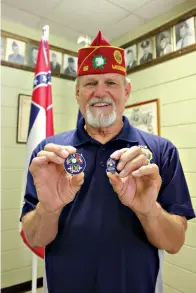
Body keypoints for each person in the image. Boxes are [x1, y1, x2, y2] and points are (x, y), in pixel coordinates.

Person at [20, 31, 195, 293]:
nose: (100, 92)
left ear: (126, 91)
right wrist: (50, 208)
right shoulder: (49, 155)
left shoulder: (161, 153)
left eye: (111, 82)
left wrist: (149, 211)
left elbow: (174, 243)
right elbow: (34, 238)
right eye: (90, 83)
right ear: (78, 92)